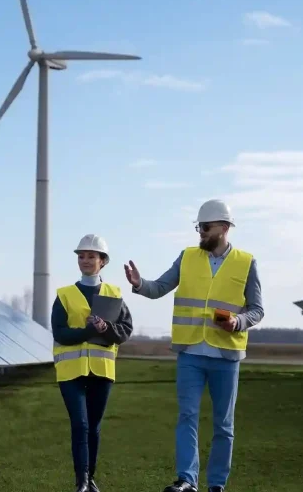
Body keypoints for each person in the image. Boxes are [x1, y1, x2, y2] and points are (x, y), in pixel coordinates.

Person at [124, 199, 264, 492]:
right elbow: (159, 287)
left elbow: (257, 309)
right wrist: (139, 284)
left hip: (226, 357)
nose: (200, 232)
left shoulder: (246, 262)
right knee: (187, 416)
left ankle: (216, 484)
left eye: (205, 227)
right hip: (190, 353)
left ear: (224, 228)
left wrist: (237, 322)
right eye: (198, 227)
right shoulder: (187, 257)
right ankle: (187, 480)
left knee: (224, 426)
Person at [52, 233, 134, 492]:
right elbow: (60, 334)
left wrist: (105, 327)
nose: (85, 260)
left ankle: (91, 479)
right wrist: (89, 331)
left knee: (94, 428)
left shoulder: (115, 294)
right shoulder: (64, 295)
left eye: (91, 256)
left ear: (103, 261)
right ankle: (82, 482)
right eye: (81, 256)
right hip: (70, 371)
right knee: (81, 424)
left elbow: (124, 331)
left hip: (102, 371)